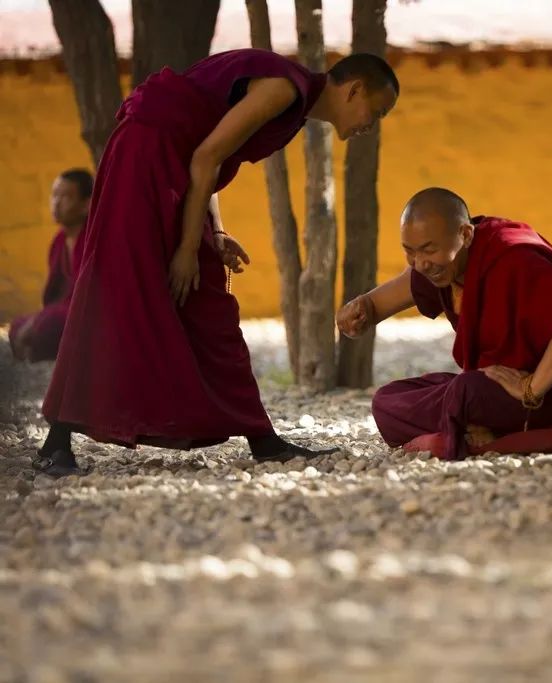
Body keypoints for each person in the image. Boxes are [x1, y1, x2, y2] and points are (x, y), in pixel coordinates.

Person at [36, 49, 399, 477]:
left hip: (177, 167)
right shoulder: (284, 89)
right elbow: (204, 157)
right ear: (354, 89)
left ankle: (262, 437)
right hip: (144, 158)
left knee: (207, 293)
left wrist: (217, 233)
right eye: (375, 112)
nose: (370, 125)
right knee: (116, 290)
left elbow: (211, 153)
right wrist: (189, 248)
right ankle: (55, 442)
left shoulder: (294, 104)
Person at [337, 188, 552, 461]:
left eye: (429, 250)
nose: (420, 263)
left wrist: (531, 388)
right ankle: (476, 431)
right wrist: (367, 306)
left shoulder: (512, 257)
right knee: (387, 400)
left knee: (465, 392)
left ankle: (464, 438)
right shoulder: (446, 264)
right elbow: (412, 282)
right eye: (410, 251)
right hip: (496, 390)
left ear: (464, 234)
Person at [9, 169, 91, 362]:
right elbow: (56, 295)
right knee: (17, 325)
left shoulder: (92, 238)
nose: (56, 203)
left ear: (87, 205)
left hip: (89, 314)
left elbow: (87, 297)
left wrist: (42, 319)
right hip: (64, 311)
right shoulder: (60, 241)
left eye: (65, 197)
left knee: (47, 325)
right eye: (54, 195)